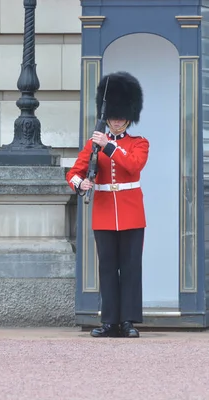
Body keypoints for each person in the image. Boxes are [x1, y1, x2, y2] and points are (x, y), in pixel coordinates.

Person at [66, 71, 149, 338]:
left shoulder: (139, 143)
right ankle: (110, 321)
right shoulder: (93, 145)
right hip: (103, 213)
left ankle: (129, 321)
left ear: (128, 118)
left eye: (121, 117)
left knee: (131, 268)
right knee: (107, 268)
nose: (116, 121)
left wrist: (109, 147)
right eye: (113, 117)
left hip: (132, 214)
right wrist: (81, 184)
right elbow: (73, 173)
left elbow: (134, 166)